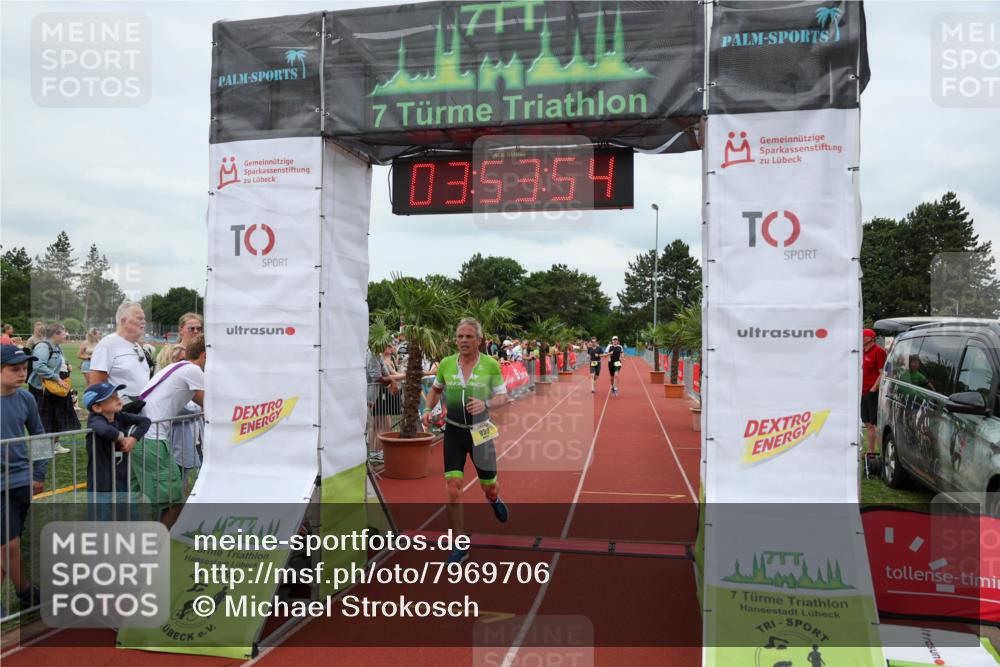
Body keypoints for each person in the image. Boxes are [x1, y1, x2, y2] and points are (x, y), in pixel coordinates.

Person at [422, 318, 510, 563]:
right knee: (452, 488)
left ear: (479, 340)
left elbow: (504, 397)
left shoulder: (491, 364)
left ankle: (493, 499)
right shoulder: (447, 364)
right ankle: (460, 544)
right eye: (460, 336)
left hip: (481, 430)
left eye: (469, 336)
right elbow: (435, 390)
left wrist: (487, 403)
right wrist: (427, 410)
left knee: (489, 486)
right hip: (454, 432)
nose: (463, 341)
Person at [138, 334, 205, 527]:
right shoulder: (193, 370)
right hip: (153, 439)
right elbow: (208, 405)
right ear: (204, 355)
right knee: (175, 502)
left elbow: (198, 401)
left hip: (140, 436)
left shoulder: (177, 367)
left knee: (146, 499)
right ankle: (157, 550)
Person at [0, 345, 47, 614]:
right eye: (14, 369)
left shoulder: (27, 399)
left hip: (21, 481)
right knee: (10, 543)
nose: (22, 374)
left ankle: (26, 592)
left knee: (10, 543)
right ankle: (26, 591)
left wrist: (39, 473)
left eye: (24, 369)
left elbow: (39, 436)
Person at [83, 382, 151, 519]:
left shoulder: (120, 416)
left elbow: (145, 421)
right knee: (103, 523)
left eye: (117, 396)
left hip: (121, 481)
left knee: (130, 518)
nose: (119, 400)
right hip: (101, 485)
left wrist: (133, 439)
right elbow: (105, 430)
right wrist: (121, 438)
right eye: (112, 398)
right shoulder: (95, 419)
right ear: (97, 407)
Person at [26, 322, 79, 453]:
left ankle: (55, 444)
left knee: (56, 416)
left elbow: (58, 363)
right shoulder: (43, 347)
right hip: (44, 389)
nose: (66, 335)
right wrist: (57, 378)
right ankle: (43, 448)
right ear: (55, 334)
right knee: (44, 417)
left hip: (55, 388)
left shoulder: (57, 346)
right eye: (63, 332)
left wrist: (67, 366)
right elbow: (38, 367)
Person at [89, 301, 150, 410]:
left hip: (140, 413)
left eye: (144, 319)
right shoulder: (107, 344)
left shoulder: (136, 345)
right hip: (120, 416)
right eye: (139, 318)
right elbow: (96, 384)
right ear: (123, 321)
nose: (144, 322)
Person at [861, 328, 887, 456]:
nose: (861, 338)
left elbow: (882, 373)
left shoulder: (878, 351)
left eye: (864, 336)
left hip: (872, 392)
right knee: (867, 423)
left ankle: (881, 454)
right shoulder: (862, 352)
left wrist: (873, 389)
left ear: (871, 338)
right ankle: (870, 454)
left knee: (875, 424)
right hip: (862, 391)